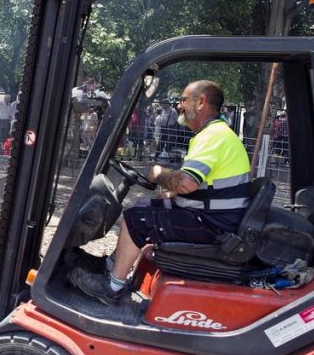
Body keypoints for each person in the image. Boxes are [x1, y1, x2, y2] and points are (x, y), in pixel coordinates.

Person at [69, 80, 252, 305]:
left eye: (184, 100)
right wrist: (173, 195)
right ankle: (110, 267)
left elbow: (186, 183)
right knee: (142, 208)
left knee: (136, 219)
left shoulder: (214, 136)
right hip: (216, 218)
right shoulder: (218, 133)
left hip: (214, 226)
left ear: (201, 102)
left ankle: (112, 287)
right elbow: (209, 188)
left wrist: (158, 174)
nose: (179, 105)